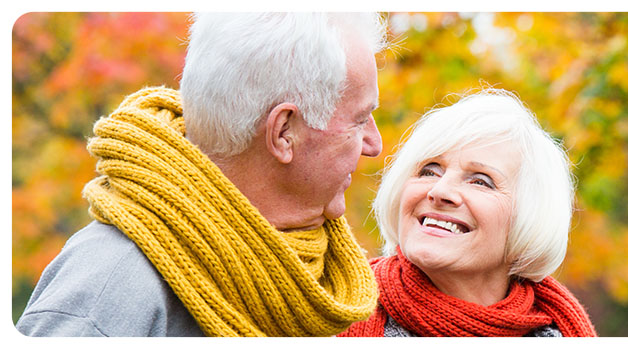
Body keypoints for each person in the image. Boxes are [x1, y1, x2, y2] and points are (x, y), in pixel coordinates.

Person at [17, 13, 389, 337]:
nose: (374, 144)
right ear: (283, 132)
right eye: (359, 120)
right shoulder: (107, 290)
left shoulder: (321, 283)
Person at [338, 89, 597, 337]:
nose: (439, 191)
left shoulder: (562, 334)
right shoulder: (330, 313)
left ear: (529, 218)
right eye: (430, 170)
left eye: (480, 181)